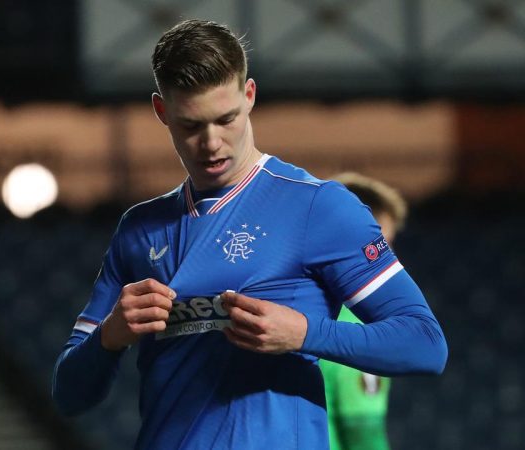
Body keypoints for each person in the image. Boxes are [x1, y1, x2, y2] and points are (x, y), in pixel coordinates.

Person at [52, 19, 447, 450]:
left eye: (226, 119)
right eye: (191, 125)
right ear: (162, 112)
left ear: (250, 96)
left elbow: (425, 344)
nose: (211, 143)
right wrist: (110, 336)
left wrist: (305, 334)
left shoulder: (319, 207)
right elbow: (69, 395)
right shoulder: (139, 229)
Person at [320, 172, 408, 450]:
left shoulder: (281, 305)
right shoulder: (362, 324)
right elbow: (363, 435)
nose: (389, 259)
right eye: (381, 245)